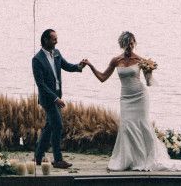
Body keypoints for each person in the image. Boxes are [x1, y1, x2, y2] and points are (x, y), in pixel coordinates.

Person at [87, 30, 171, 172]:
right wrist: (90, 65)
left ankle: (145, 159)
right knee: (126, 127)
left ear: (134, 43)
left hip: (140, 96)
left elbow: (149, 82)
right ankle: (129, 159)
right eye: (126, 44)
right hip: (125, 98)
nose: (129, 46)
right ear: (122, 44)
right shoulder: (116, 60)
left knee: (142, 125)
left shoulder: (140, 60)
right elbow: (102, 77)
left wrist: (149, 71)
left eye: (131, 43)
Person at [32, 28, 86, 169]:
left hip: (57, 96)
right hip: (48, 99)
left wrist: (79, 66)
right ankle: (58, 160)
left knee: (49, 127)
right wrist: (55, 98)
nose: (56, 41)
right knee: (57, 125)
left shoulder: (56, 53)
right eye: (54, 39)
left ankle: (38, 157)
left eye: (56, 38)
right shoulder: (37, 59)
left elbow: (66, 66)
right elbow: (40, 84)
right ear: (46, 40)